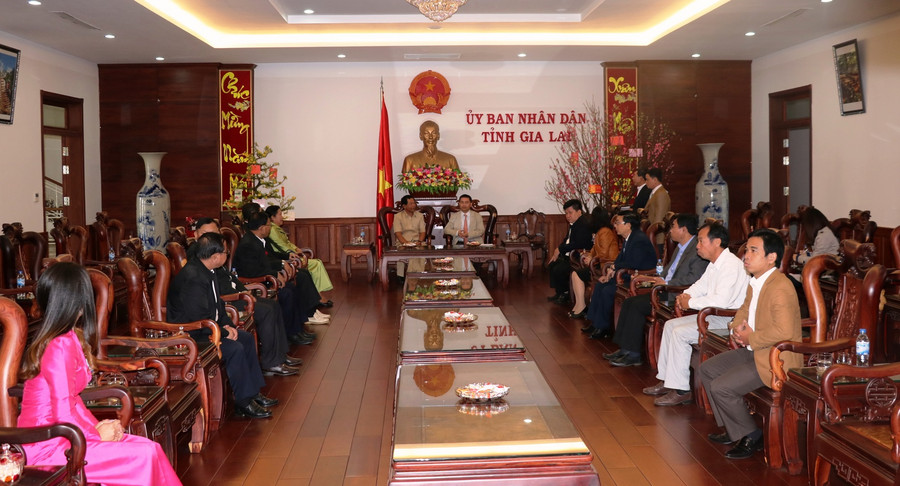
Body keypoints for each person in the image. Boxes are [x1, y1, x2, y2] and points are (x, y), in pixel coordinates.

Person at [18, 262, 182, 485]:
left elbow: (73, 401)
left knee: (148, 448)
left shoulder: (68, 337)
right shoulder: (59, 345)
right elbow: (63, 411)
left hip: (63, 436)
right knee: (143, 456)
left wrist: (98, 426)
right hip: (48, 446)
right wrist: (96, 435)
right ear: (81, 301)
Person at [700, 228, 802, 459]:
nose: (746, 255)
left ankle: (751, 435)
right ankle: (733, 427)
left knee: (721, 387)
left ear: (771, 257)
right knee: (707, 369)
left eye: (753, 251)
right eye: (746, 250)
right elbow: (744, 310)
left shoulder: (780, 286)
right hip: (754, 350)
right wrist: (735, 328)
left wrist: (750, 338)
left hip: (775, 359)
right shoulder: (754, 281)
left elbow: (784, 331)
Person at [168, 232, 278, 419]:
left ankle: (252, 393)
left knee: (245, 338)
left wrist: (229, 326)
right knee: (234, 348)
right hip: (192, 334)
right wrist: (223, 333)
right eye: (226, 253)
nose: (228, 255)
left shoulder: (207, 270)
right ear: (215, 257)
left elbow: (218, 305)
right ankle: (243, 402)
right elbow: (197, 318)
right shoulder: (193, 277)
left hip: (210, 327)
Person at [639, 222, 750, 403]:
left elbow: (721, 302)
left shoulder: (730, 265)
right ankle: (668, 381)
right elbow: (700, 286)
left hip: (727, 319)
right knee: (670, 325)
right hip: (712, 315)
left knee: (679, 332)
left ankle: (682, 391)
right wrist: (686, 295)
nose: (697, 246)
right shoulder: (715, 264)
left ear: (717, 242)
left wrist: (689, 302)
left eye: (701, 241)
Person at [193, 217, 308, 370]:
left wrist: (245, 291)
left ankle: (280, 356)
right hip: (227, 300)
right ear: (196, 235)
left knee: (272, 305)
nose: (210, 239)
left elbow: (230, 276)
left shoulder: (215, 251)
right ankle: (272, 363)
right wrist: (242, 295)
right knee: (266, 310)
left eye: (214, 234)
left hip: (237, 293)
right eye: (205, 234)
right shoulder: (198, 255)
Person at [604, 214, 709, 367]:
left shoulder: (697, 250)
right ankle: (625, 349)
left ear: (683, 229)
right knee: (630, 302)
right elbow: (668, 270)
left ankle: (634, 355)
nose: (670, 231)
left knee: (636, 305)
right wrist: (657, 279)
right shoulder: (680, 246)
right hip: (663, 287)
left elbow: (693, 279)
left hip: (676, 293)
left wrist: (666, 282)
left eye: (673, 226)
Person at [233, 212, 326, 328]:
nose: (270, 228)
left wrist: (283, 262)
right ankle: (297, 327)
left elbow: (269, 258)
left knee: (296, 281)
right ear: (261, 228)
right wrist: (276, 273)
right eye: (269, 225)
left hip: (267, 276)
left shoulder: (257, 240)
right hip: (257, 282)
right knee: (289, 291)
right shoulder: (248, 245)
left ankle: (306, 318)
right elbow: (252, 271)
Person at [584, 212, 657, 339]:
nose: (615, 226)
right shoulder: (629, 238)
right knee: (601, 285)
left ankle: (603, 327)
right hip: (626, 275)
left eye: (617, 223)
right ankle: (595, 323)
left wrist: (614, 268)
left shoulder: (639, 239)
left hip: (639, 278)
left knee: (607, 290)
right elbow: (620, 260)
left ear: (628, 225)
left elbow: (635, 262)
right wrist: (611, 271)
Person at [264, 205, 335, 306]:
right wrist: (294, 254)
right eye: (280, 214)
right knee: (316, 265)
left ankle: (318, 295)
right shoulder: (272, 230)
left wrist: (297, 249)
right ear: (272, 217)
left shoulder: (276, 229)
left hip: (289, 256)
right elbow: (282, 246)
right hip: (286, 258)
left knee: (316, 263)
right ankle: (318, 296)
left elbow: (287, 243)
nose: (282, 216)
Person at [568, 207, 619, 318]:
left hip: (606, 266)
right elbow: (595, 249)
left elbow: (604, 254)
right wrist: (589, 255)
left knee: (577, 274)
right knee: (575, 274)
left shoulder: (605, 232)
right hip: (600, 265)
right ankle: (579, 305)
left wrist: (592, 259)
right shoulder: (600, 231)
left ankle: (581, 306)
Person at [546, 199, 593, 304]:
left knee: (559, 269)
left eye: (570, 213)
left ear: (579, 212)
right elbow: (566, 240)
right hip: (570, 255)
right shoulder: (574, 223)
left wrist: (560, 249)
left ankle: (565, 294)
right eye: (566, 213)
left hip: (578, 256)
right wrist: (558, 249)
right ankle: (560, 292)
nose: (567, 216)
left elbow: (578, 244)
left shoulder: (583, 224)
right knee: (553, 264)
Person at [392, 195, 427, 277]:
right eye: (411, 204)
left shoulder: (420, 216)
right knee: (409, 252)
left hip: (418, 242)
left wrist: (419, 241)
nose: (413, 205)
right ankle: (403, 276)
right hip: (402, 243)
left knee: (419, 251)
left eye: (414, 203)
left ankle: (416, 275)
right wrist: (406, 243)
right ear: (404, 206)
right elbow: (398, 233)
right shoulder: (398, 216)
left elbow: (422, 232)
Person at [644, 168, 671, 248]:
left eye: (647, 180)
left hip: (657, 237)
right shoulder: (655, 193)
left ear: (655, 180)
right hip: (652, 235)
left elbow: (659, 219)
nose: (646, 182)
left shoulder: (661, 194)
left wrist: (653, 234)